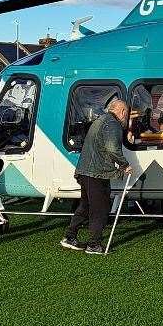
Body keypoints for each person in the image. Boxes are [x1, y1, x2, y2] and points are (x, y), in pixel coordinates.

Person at [63, 95, 130, 255]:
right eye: (126, 114)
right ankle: (93, 244)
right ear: (121, 112)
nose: (125, 118)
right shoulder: (112, 124)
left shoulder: (100, 120)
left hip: (85, 171)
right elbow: (112, 148)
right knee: (99, 209)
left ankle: (70, 237)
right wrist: (124, 165)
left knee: (85, 206)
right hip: (97, 173)